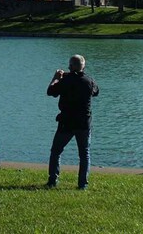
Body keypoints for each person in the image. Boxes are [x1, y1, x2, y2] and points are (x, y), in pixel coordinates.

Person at [46, 54, 99, 189]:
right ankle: (82, 184)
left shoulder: (65, 80)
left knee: (56, 151)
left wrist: (56, 78)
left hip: (67, 122)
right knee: (84, 153)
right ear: (83, 66)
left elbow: (50, 91)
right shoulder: (89, 81)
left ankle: (53, 180)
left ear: (70, 66)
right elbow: (96, 91)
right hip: (84, 123)